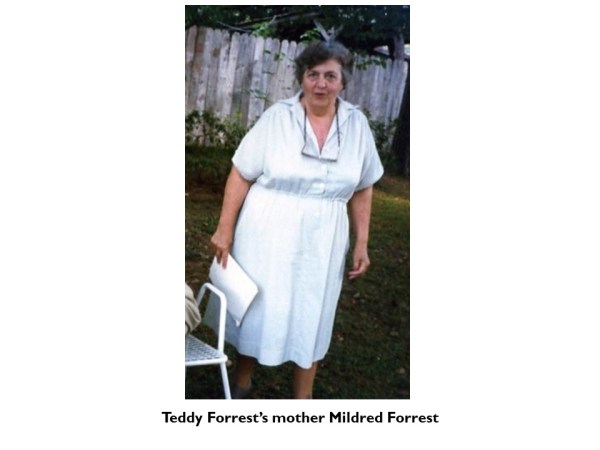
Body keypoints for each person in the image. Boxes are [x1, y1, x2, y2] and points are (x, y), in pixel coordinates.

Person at [208, 40, 384, 399]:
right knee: (258, 307)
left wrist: (362, 242)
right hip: (267, 230)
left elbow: (363, 186)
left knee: (312, 311)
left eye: (330, 76)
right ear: (302, 78)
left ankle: (303, 400)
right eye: (313, 74)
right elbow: (241, 173)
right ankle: (241, 384)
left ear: (343, 82)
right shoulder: (278, 117)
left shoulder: (357, 125)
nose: (321, 84)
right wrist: (224, 229)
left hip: (324, 237)